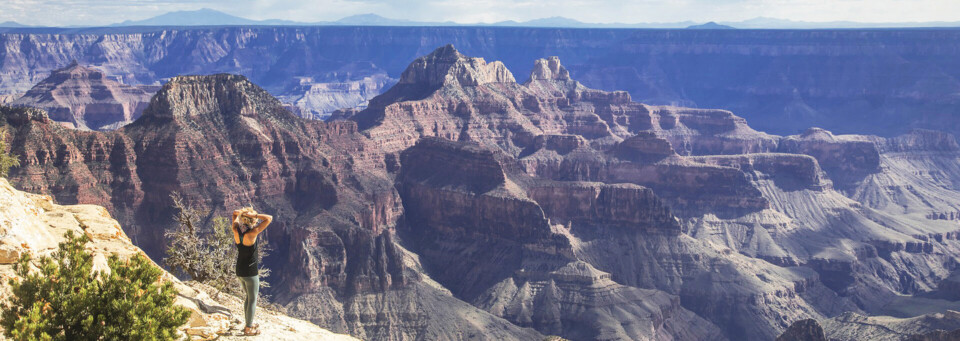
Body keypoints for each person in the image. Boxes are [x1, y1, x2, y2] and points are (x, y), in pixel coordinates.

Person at [231, 207, 273, 336]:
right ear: (252, 220)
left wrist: (243, 214)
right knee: (253, 299)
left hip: (240, 270)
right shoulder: (253, 233)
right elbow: (269, 218)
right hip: (250, 272)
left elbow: (234, 214)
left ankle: (248, 323)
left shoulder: (236, 229)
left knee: (248, 298)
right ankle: (248, 328)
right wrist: (255, 215)